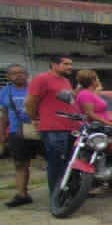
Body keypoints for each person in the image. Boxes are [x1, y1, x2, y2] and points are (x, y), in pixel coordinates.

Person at [24, 56, 78, 199]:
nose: (69, 67)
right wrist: (34, 118)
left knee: (68, 162)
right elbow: (30, 102)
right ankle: (56, 196)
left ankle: (67, 192)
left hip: (70, 127)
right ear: (54, 64)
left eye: (70, 64)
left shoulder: (66, 81)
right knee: (56, 163)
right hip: (53, 128)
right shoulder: (41, 79)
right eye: (66, 64)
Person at [0, 64, 43, 207]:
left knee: (53, 161)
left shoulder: (36, 88)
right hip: (16, 133)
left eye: (21, 72)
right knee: (20, 164)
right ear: (8, 76)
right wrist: (2, 134)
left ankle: (60, 190)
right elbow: (4, 114)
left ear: (26, 74)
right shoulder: (5, 92)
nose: (18, 75)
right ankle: (22, 194)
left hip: (40, 130)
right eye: (14, 73)